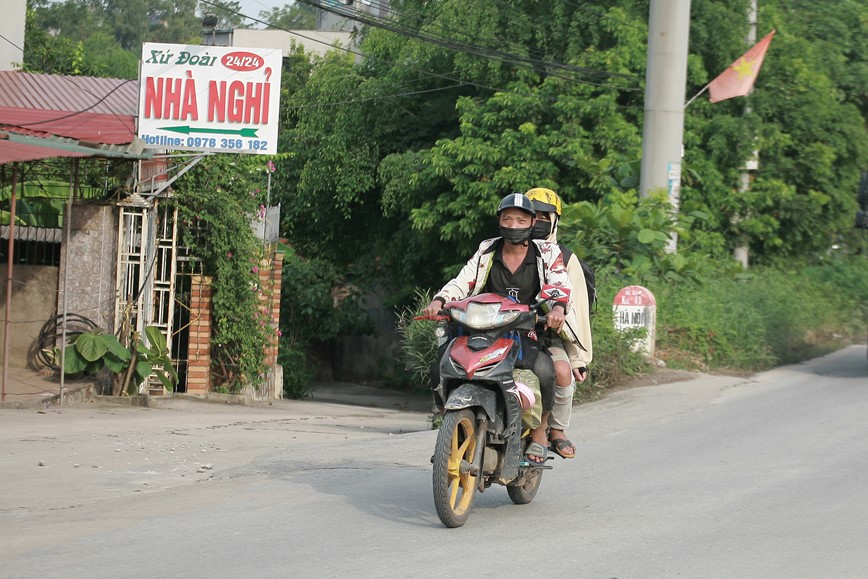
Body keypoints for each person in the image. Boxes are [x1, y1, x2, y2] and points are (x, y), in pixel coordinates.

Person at [422, 193, 574, 465]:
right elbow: (463, 280)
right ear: (499, 221)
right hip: (485, 328)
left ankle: (541, 431)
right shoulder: (487, 249)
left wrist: (557, 308)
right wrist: (440, 300)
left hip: (527, 329)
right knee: (442, 363)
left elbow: (560, 283)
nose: (513, 225)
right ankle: (447, 423)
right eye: (507, 218)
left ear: (531, 222)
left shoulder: (547, 252)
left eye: (520, 219)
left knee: (543, 370)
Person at [525, 187, 593, 460]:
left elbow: (576, 313)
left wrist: (578, 358)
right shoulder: (498, 247)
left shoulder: (564, 259)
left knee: (561, 372)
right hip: (501, 328)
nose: (538, 221)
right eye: (533, 215)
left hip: (545, 334)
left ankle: (554, 430)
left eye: (545, 216)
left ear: (555, 220)